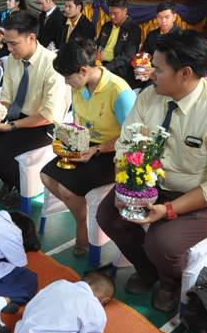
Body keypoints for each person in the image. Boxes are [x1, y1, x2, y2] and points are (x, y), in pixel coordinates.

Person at [96, 30, 207, 313]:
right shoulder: (149, 97)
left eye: (158, 69)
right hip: (151, 184)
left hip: (201, 195)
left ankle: (170, 282)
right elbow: (126, 145)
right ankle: (147, 269)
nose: (150, 74)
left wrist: (169, 210)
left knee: (162, 242)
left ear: (185, 73)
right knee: (109, 216)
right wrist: (124, 187)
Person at [41, 39, 136, 256]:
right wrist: (66, 141)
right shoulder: (80, 86)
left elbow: (131, 139)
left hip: (113, 154)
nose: (66, 83)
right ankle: (79, 211)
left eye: (67, 77)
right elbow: (79, 122)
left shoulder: (119, 91)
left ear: (83, 70)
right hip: (86, 146)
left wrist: (98, 149)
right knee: (46, 176)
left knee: (67, 189)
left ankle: (81, 226)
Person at [0, 12, 70, 208]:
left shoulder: (52, 65)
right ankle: (10, 180)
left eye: (14, 44)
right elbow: (6, 99)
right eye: (7, 43)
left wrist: (9, 127)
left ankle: (22, 188)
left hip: (43, 125)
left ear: (31, 38)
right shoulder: (13, 59)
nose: (9, 49)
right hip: (17, 117)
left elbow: (49, 115)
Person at [95, 0, 142, 86]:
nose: (112, 16)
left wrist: (106, 68)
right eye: (110, 13)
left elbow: (127, 56)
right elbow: (98, 45)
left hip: (119, 70)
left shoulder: (133, 29)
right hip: (100, 65)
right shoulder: (106, 26)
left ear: (125, 11)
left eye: (116, 13)